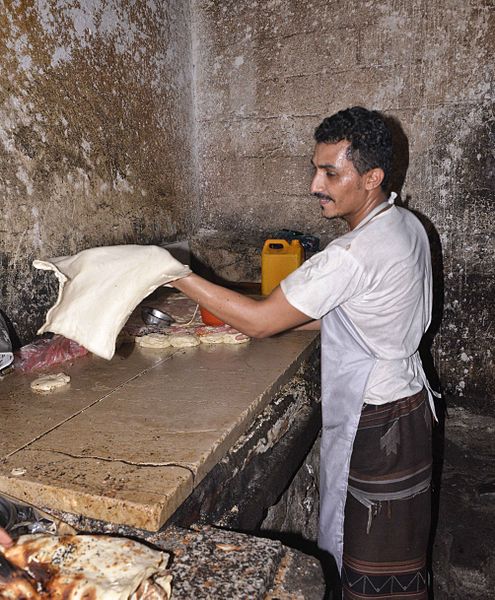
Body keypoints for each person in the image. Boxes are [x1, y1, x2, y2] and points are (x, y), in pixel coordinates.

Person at [173, 106, 436, 599]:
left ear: (372, 178)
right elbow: (355, 311)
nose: (316, 185)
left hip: (376, 422)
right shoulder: (406, 225)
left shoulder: (350, 255)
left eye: (331, 173)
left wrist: (173, 274)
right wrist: (274, 309)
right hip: (411, 407)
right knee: (399, 548)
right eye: (316, 169)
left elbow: (260, 322)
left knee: (369, 557)